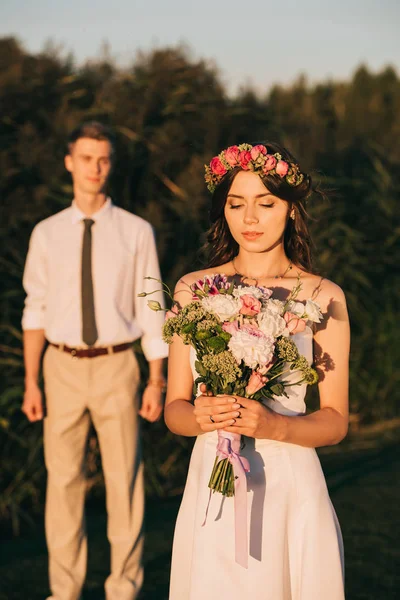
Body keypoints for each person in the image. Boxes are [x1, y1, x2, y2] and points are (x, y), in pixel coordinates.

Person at [166, 142, 349, 599]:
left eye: (265, 204)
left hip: (289, 485)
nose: (250, 219)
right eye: (236, 204)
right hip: (213, 481)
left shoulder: (324, 295)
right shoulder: (193, 290)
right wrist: (202, 417)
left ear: (290, 209)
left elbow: (335, 420)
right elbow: (174, 409)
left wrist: (274, 426)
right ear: (222, 211)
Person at [21, 121, 168, 600]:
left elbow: (152, 307)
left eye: (102, 158)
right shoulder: (46, 234)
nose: (95, 168)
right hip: (59, 368)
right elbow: (34, 309)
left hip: (117, 366)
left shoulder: (135, 231)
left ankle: (123, 588)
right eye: (86, 158)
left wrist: (156, 379)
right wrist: (32, 382)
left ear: (111, 163)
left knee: (124, 480)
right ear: (69, 162)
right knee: (62, 485)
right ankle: (63, 591)